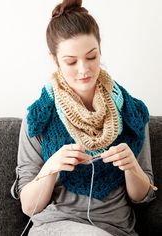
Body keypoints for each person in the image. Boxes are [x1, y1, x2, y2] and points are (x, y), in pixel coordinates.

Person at [11, 0, 156, 235]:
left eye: (91, 57)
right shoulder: (38, 118)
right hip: (54, 226)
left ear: (100, 49)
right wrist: (51, 166)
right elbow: (29, 207)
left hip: (116, 229)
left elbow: (143, 196)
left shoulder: (133, 113)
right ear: (54, 60)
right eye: (71, 61)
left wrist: (132, 167)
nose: (83, 69)